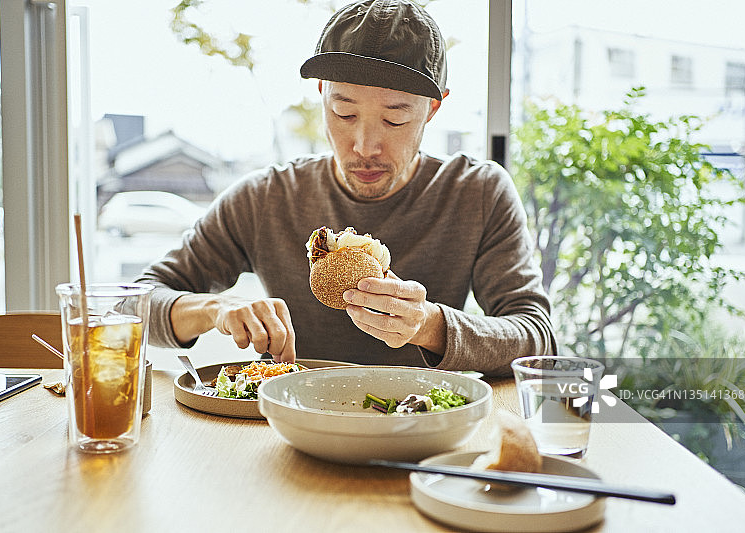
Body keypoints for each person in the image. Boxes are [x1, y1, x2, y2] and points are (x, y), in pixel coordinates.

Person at [137, 0, 557, 376]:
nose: (365, 147)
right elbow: (133, 305)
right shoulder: (265, 198)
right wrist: (214, 308)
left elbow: (537, 338)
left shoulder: (477, 192)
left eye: (394, 119)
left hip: (424, 425)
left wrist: (429, 326)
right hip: (290, 424)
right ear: (323, 95)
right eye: (344, 113)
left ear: (432, 108)